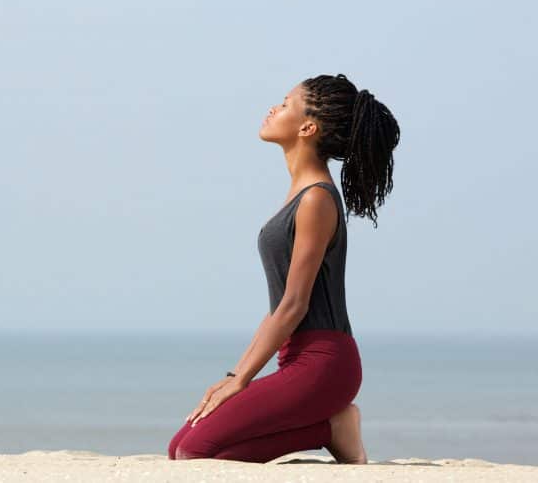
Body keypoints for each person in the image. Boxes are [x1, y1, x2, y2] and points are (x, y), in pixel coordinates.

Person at [167, 73, 400, 463]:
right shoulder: (300, 195)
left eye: (286, 103)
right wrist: (232, 375)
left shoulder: (317, 200)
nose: (274, 108)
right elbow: (278, 308)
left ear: (308, 127)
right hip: (296, 357)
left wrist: (240, 380)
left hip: (326, 362)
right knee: (179, 448)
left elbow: (293, 304)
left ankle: (333, 427)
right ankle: (330, 427)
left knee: (195, 451)